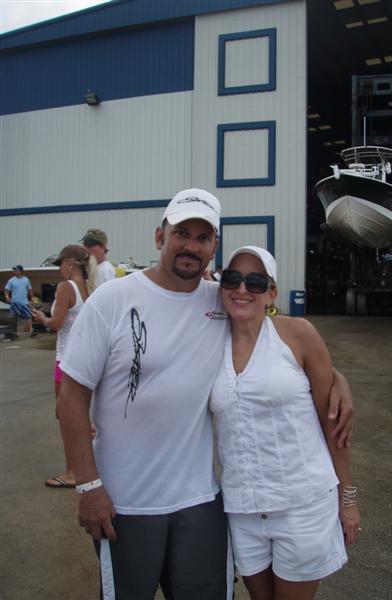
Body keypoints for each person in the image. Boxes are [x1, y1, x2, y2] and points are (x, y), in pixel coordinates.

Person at [57, 188, 354, 600]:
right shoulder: (112, 299)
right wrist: (87, 485)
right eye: (182, 233)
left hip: (201, 501)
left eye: (203, 237)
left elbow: (273, 346)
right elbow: (71, 394)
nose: (191, 246)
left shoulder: (220, 300)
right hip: (126, 502)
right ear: (160, 236)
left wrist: (335, 379)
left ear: (214, 246)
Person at [210, 246, 360, 600]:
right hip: (243, 508)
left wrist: (348, 499)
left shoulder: (297, 334)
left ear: (272, 293)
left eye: (256, 282)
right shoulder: (210, 340)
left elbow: (334, 424)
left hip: (301, 504)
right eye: (232, 279)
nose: (242, 289)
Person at [32, 244, 96, 489]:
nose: (59, 269)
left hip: (66, 360)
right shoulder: (88, 288)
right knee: (80, 415)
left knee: (66, 416)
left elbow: (56, 323)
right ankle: (88, 464)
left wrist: (42, 318)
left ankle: (73, 472)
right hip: (84, 359)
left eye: (61, 264)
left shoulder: (65, 287)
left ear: (70, 264)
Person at [4, 265, 36, 338]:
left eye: (16, 270)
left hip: (24, 302)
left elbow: (30, 289)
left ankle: (31, 331)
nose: (14, 271)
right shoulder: (11, 280)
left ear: (21, 271)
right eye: (14, 270)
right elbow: (6, 290)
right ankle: (14, 332)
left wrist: (32, 298)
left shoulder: (26, 280)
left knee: (29, 315)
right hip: (14, 302)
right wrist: (7, 297)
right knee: (14, 317)